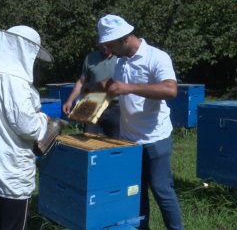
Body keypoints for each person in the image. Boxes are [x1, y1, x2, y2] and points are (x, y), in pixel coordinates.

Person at [97, 14, 184, 230]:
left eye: (110, 44)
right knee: (135, 192)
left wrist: (128, 88)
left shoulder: (157, 57)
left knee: (162, 191)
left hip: (155, 137)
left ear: (124, 38)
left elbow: (170, 90)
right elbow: (121, 91)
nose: (108, 49)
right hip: (129, 139)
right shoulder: (119, 62)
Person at [0, 25, 53, 230]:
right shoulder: (15, 80)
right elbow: (28, 126)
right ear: (24, 49)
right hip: (11, 168)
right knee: (13, 224)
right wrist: (43, 120)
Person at [62, 46, 120, 138]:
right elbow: (81, 81)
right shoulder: (90, 58)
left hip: (115, 107)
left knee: (116, 142)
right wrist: (70, 101)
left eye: (107, 45)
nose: (105, 48)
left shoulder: (120, 57)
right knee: (89, 138)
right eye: (102, 45)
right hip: (92, 105)